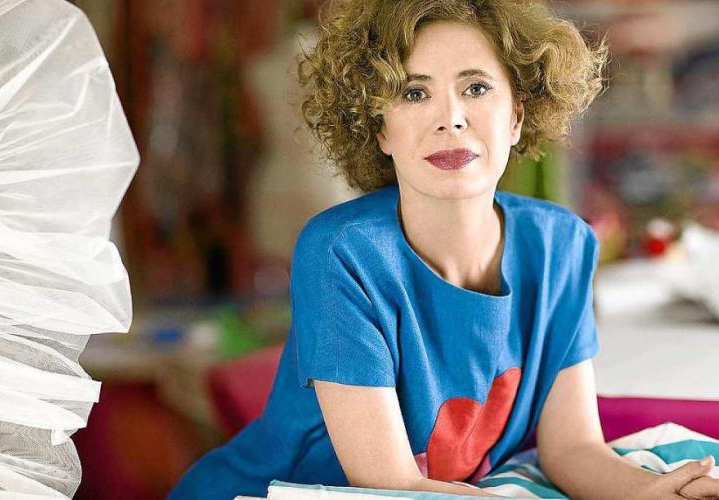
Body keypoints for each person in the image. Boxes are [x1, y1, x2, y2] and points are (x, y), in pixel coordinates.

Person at [171, 1, 719, 498]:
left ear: (517, 115)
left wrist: (652, 492)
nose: (450, 118)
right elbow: (391, 485)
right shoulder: (342, 252)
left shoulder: (563, 244)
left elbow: (572, 448)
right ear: (380, 130)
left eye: (476, 88)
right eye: (414, 93)